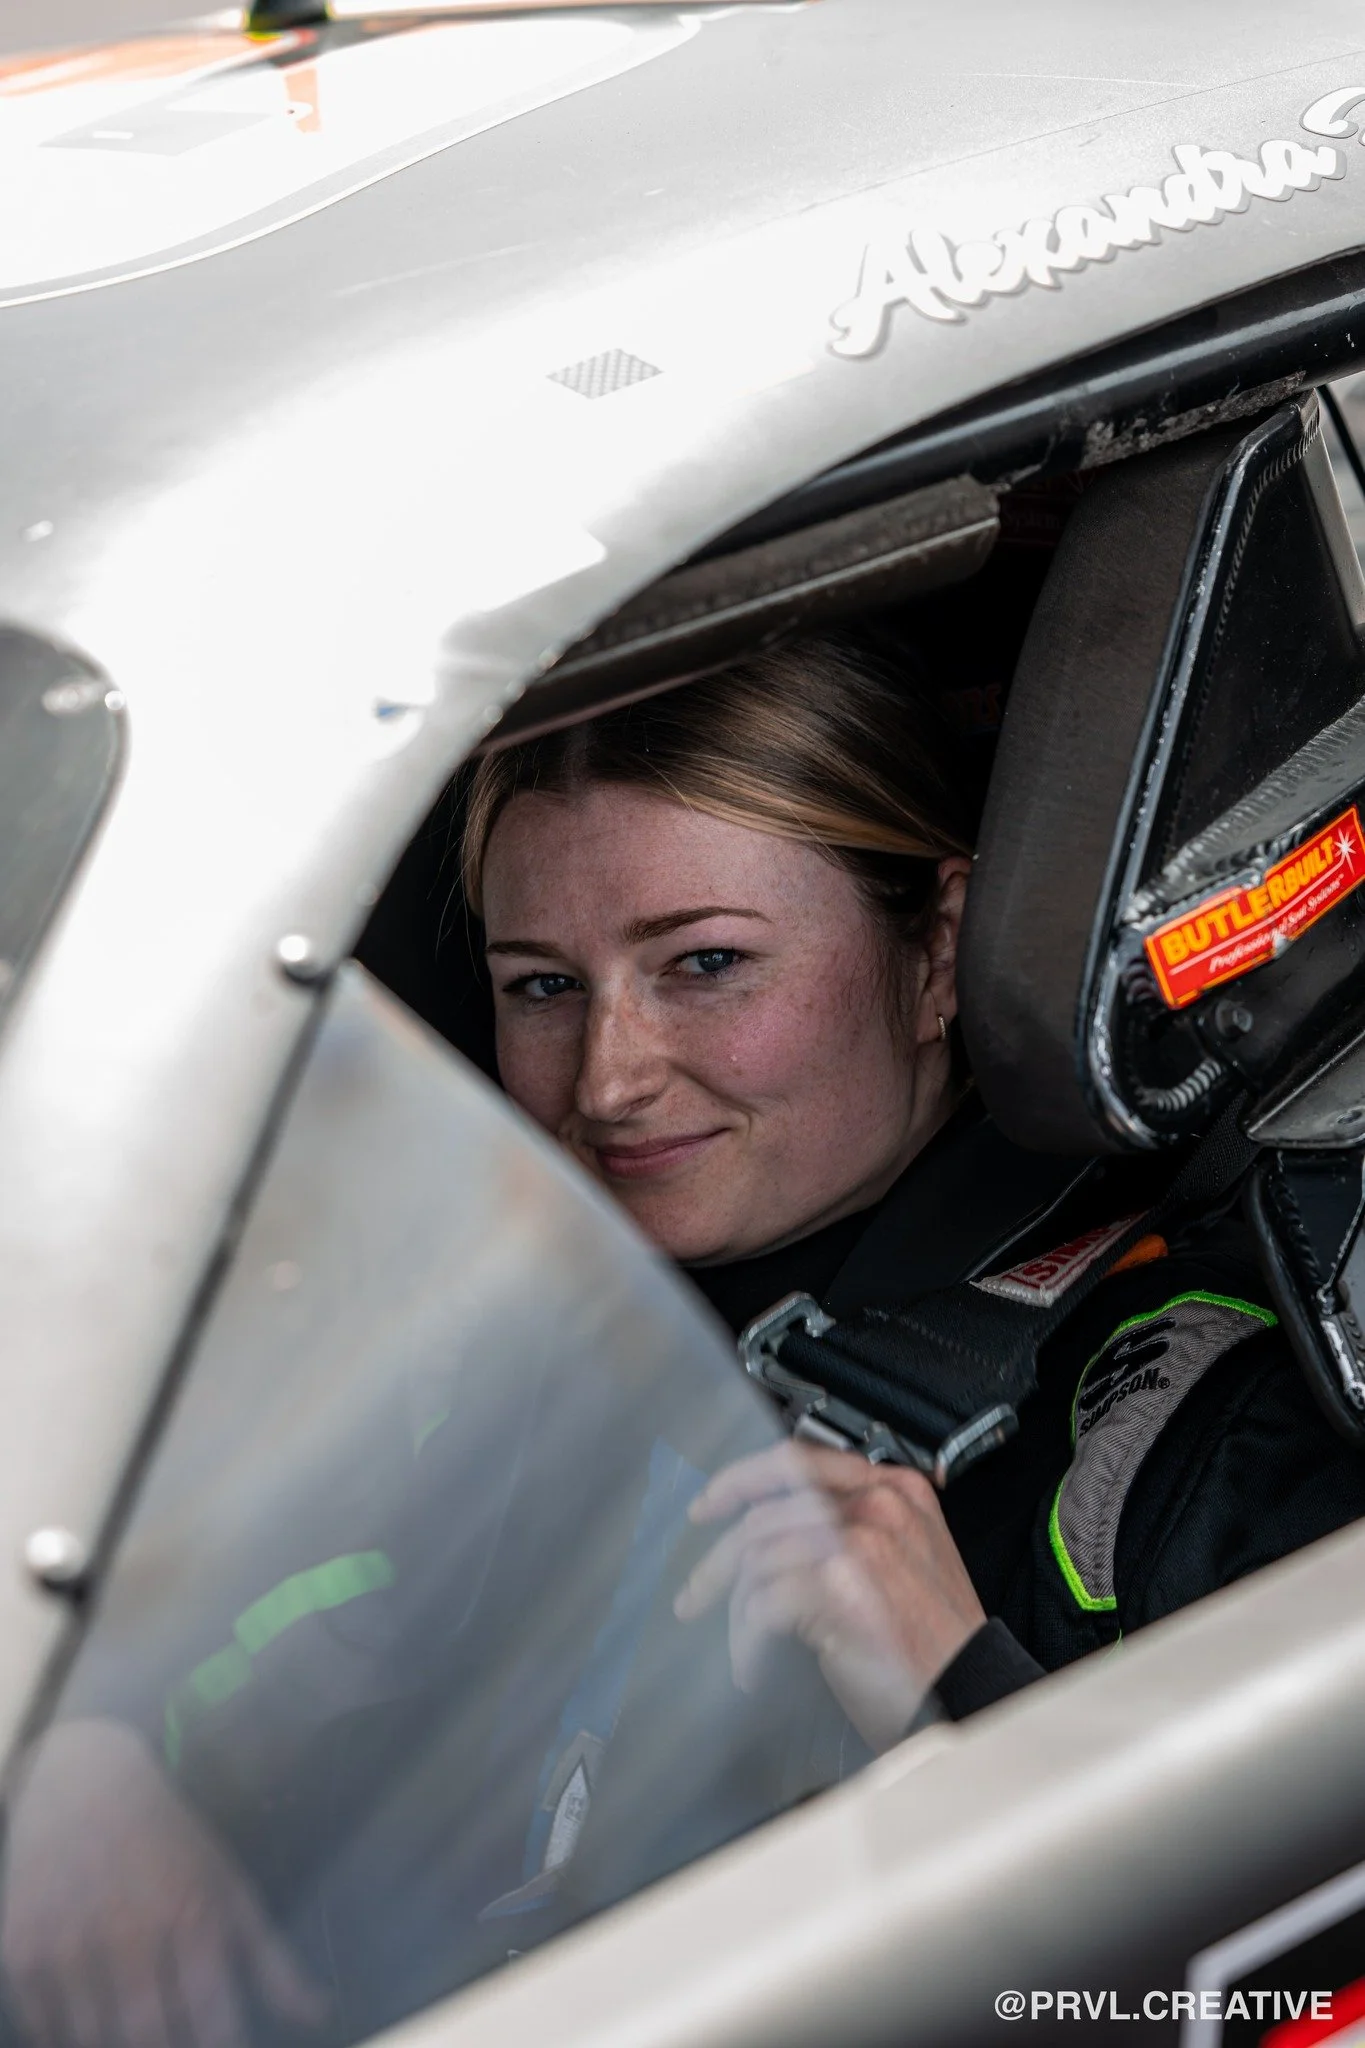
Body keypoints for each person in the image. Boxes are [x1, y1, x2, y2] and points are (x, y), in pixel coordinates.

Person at [5, 627, 1365, 2041]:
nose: (608, 1075)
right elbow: (291, 1630)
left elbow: (1255, 1981)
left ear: (938, 955)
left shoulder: (1169, 1419)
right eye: (544, 984)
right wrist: (82, 1751)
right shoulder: (496, 1333)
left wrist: (961, 1701)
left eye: (706, 964)